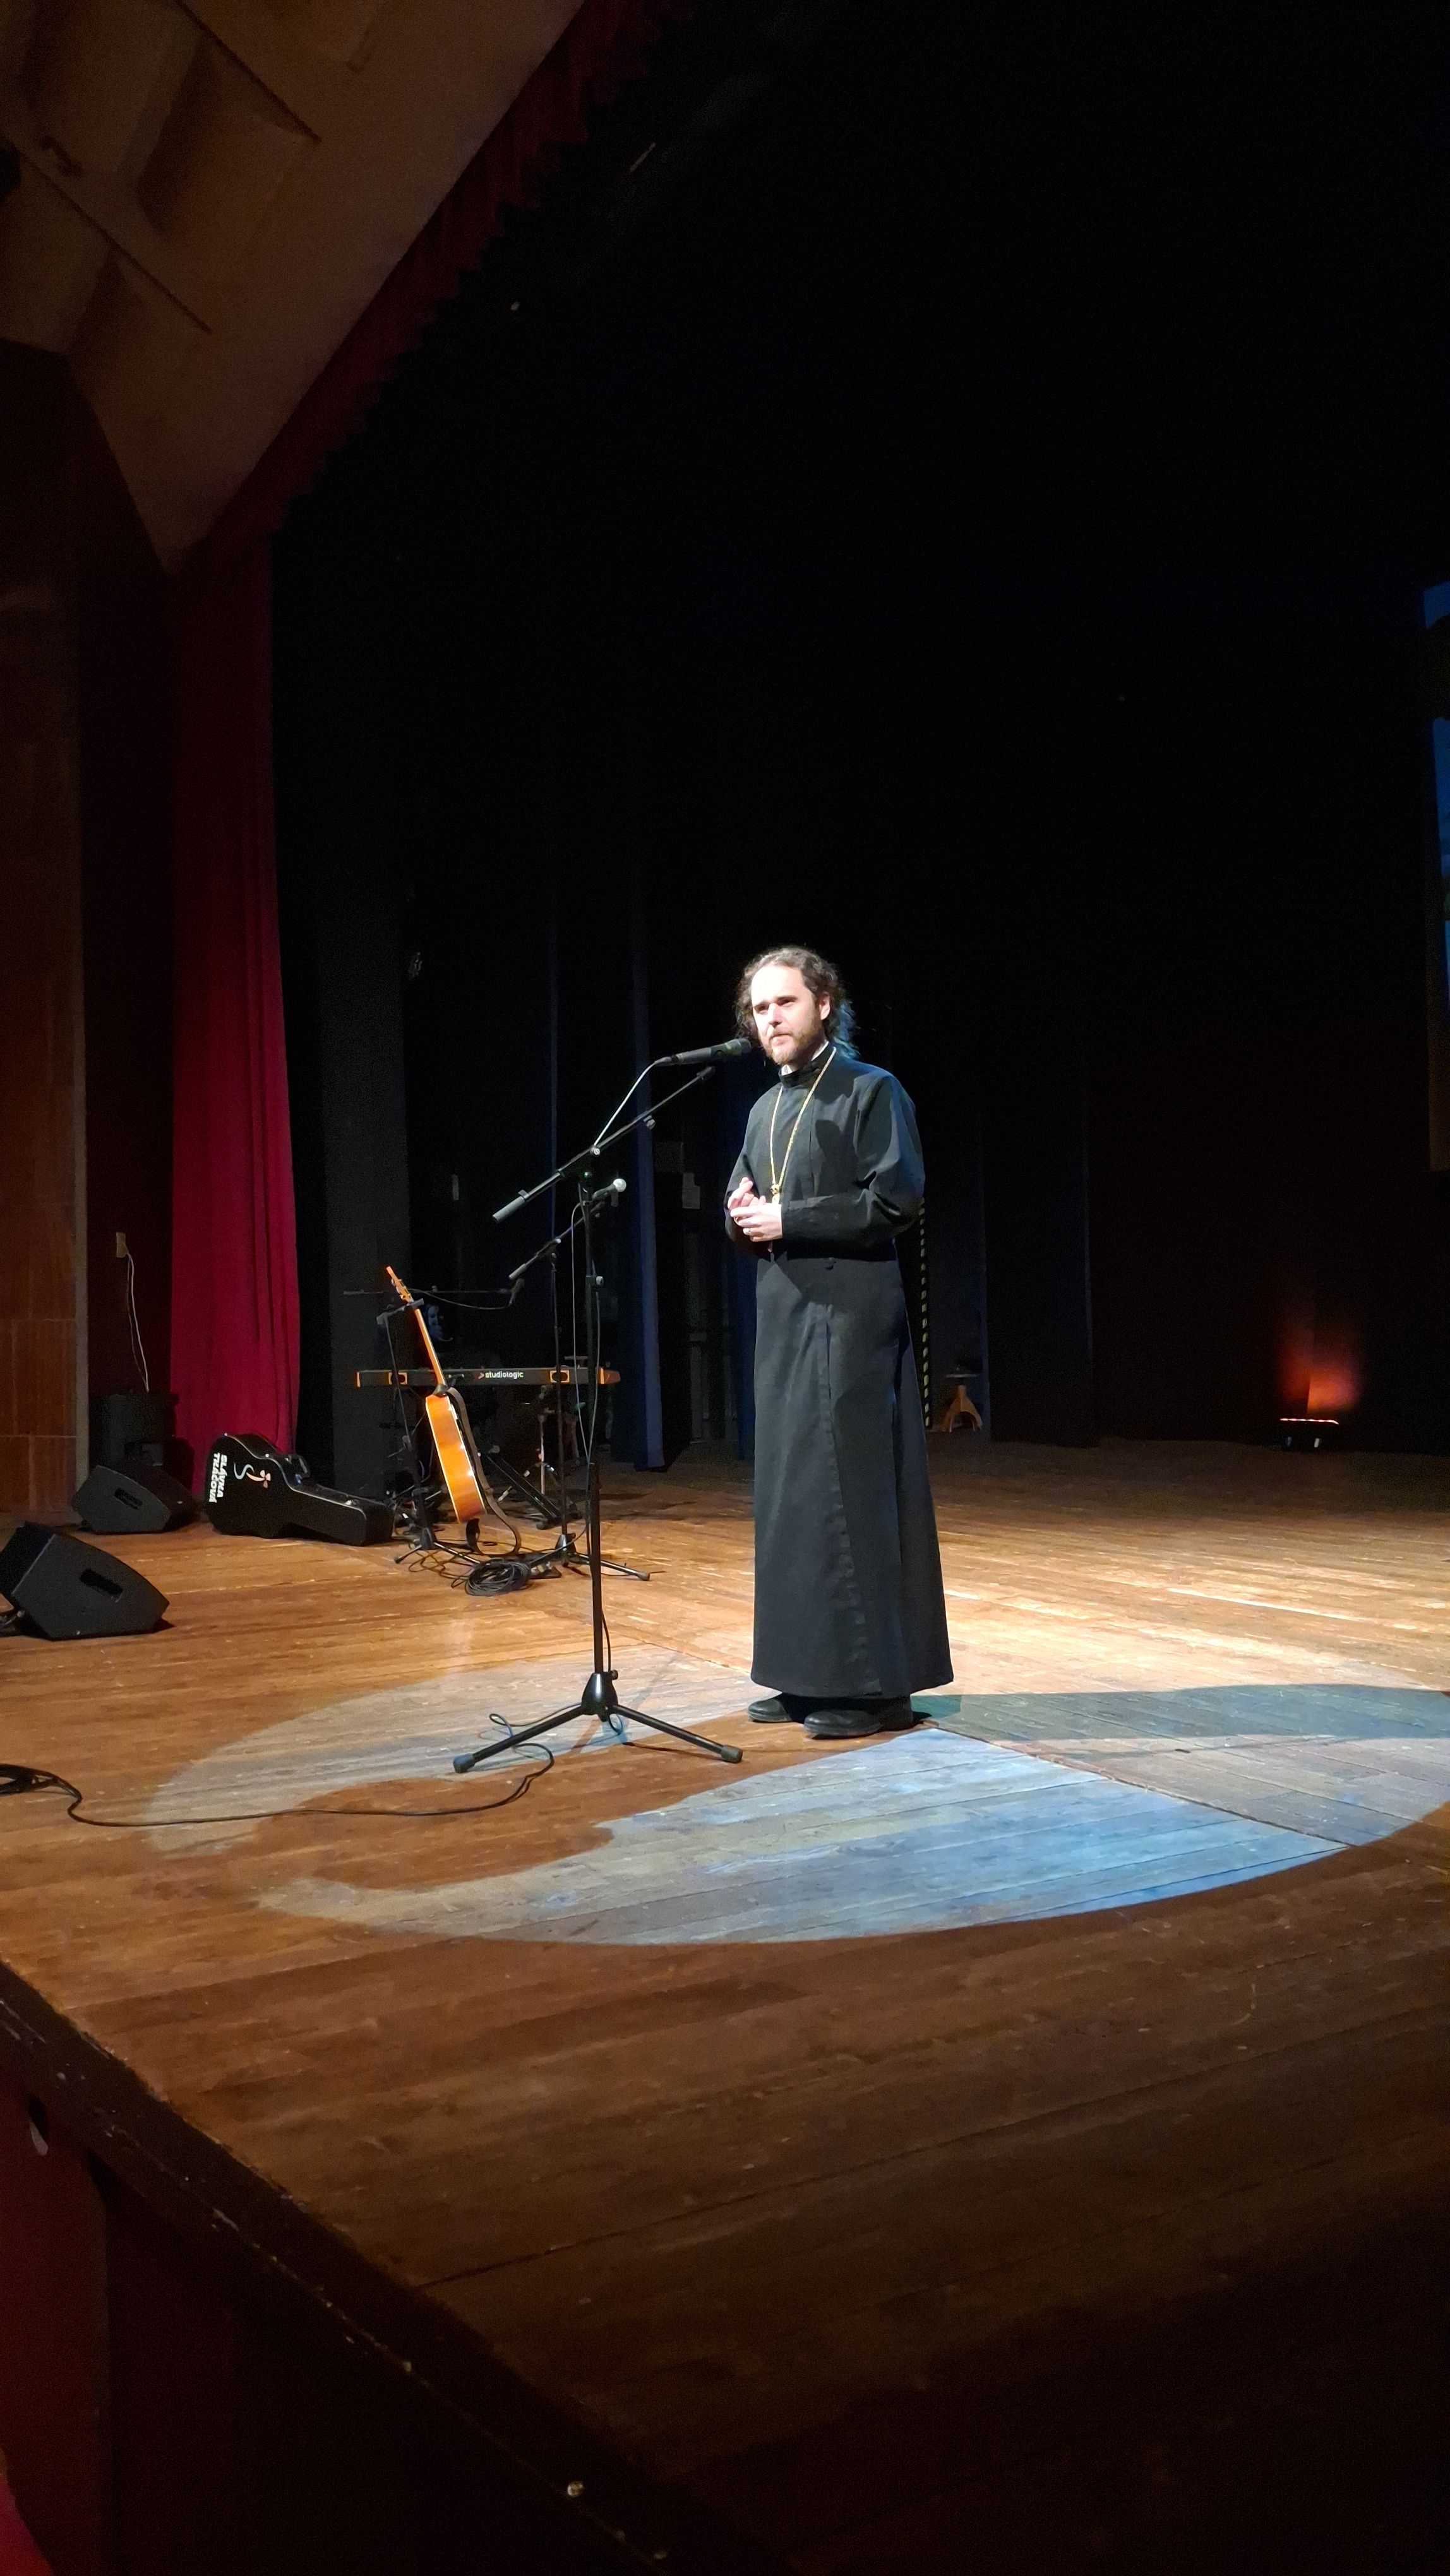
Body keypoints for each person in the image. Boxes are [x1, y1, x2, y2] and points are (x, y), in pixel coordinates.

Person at [726, 946, 952, 1738]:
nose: (771, 1019)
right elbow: (745, 1198)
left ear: (823, 1004)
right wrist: (741, 1215)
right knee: (792, 1498)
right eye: (759, 1009)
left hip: (851, 1315)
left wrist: (788, 1218)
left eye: (784, 1002)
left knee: (851, 1497)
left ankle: (874, 1690)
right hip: (786, 1317)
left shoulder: (871, 1089)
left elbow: (896, 1200)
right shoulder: (763, 1108)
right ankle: (804, 1675)